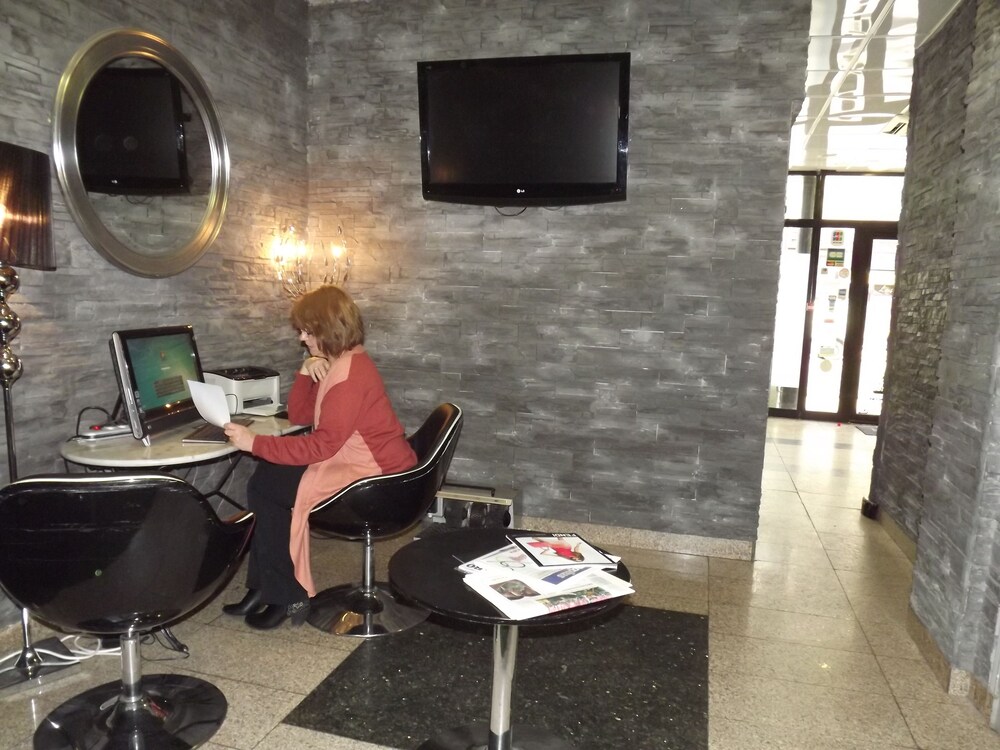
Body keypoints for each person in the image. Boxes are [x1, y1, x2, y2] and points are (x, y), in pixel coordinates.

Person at [221, 285, 417, 629]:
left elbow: (321, 446)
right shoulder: (342, 361)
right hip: (361, 460)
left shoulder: (350, 377)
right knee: (266, 481)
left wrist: (254, 442)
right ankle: (266, 586)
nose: (302, 338)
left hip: (378, 475)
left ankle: (285, 594)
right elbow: (299, 415)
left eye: (307, 332)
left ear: (328, 330)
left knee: (268, 486)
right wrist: (305, 368)